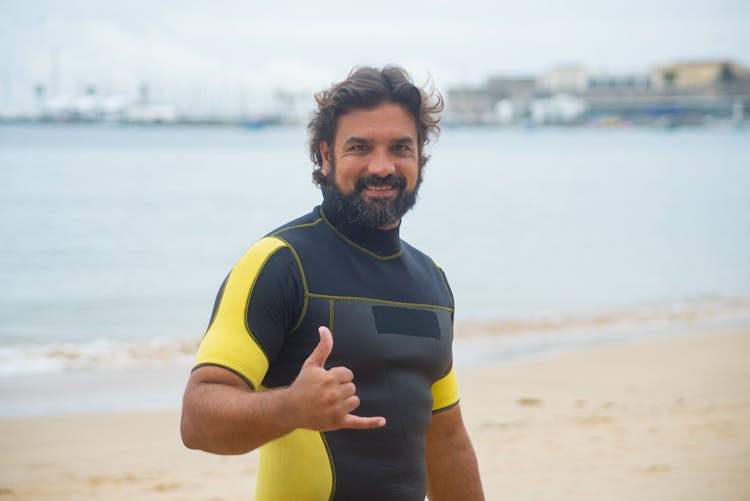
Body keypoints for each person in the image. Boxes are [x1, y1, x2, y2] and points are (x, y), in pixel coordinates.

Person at [181, 65, 484, 501]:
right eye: (360, 147)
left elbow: (447, 440)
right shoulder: (280, 263)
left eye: (400, 147)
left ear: (419, 157)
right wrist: (290, 408)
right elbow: (196, 419)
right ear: (325, 156)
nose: (382, 166)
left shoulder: (431, 283)